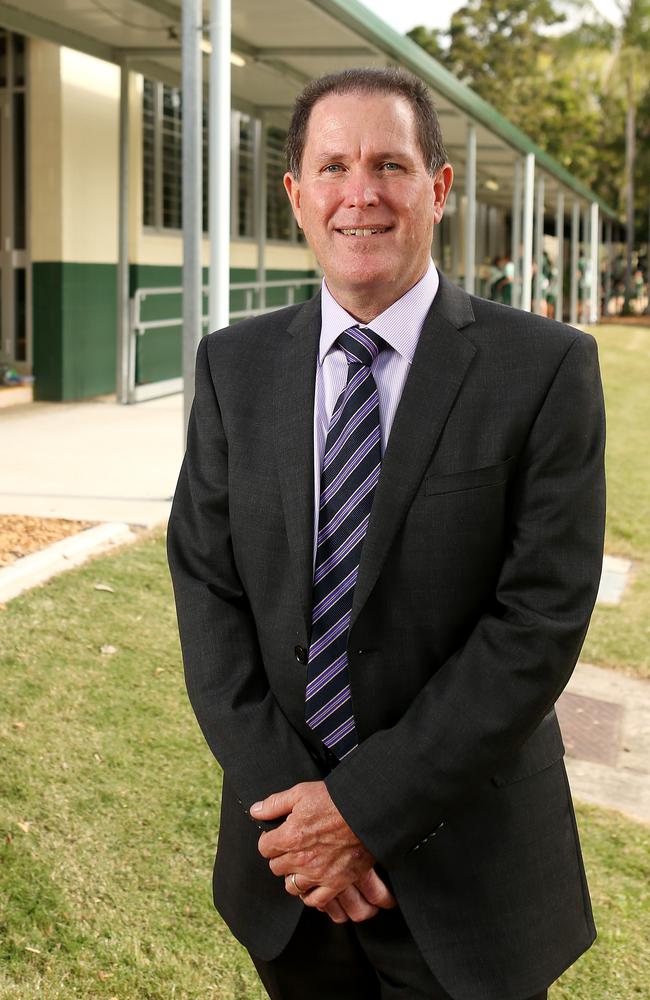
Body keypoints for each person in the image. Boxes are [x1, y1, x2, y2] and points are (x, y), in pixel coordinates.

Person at [167, 68, 605, 1000]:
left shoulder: (545, 369)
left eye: (389, 165)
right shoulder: (231, 368)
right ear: (295, 197)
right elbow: (207, 589)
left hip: (469, 878)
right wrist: (304, 819)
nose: (359, 194)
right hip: (287, 872)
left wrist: (362, 813)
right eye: (332, 167)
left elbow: (539, 623)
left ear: (438, 189)